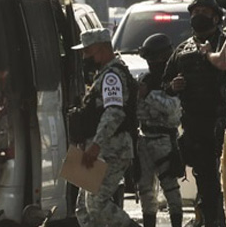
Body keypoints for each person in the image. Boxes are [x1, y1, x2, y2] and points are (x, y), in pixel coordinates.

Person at [163, 0, 226, 227]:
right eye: (195, 12)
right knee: (206, 179)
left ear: (216, 17)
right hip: (197, 127)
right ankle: (211, 220)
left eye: (204, 12)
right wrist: (173, 86)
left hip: (221, 123)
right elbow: (165, 82)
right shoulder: (183, 49)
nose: (198, 16)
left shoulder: (222, 44)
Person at [71, 28, 139, 227]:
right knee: (83, 209)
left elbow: (114, 113)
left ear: (101, 49)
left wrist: (96, 146)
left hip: (111, 148)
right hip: (97, 147)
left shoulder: (112, 77)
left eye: (87, 51)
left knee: (97, 204)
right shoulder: (102, 75)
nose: (84, 57)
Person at [136, 33, 183, 227]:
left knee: (170, 188)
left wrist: (149, 96)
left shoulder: (175, 81)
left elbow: (173, 111)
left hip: (165, 140)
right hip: (144, 139)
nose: (151, 63)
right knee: (145, 189)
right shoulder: (145, 79)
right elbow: (137, 110)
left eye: (154, 59)